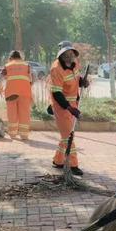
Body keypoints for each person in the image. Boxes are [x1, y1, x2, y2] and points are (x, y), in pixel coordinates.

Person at [49, 44, 89, 176]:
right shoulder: (56, 69)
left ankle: (58, 160)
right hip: (61, 105)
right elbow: (57, 93)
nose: (70, 56)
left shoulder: (74, 63)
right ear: (61, 55)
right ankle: (73, 165)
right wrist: (69, 108)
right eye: (67, 54)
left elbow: (76, 78)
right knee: (68, 136)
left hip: (73, 103)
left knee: (67, 133)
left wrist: (82, 82)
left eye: (71, 53)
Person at [0, 50, 33, 140]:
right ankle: (24, 135)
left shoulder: (7, 66)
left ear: (11, 57)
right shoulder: (26, 65)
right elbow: (31, 79)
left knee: (12, 114)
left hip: (10, 93)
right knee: (24, 114)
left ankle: (13, 134)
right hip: (25, 93)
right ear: (20, 58)